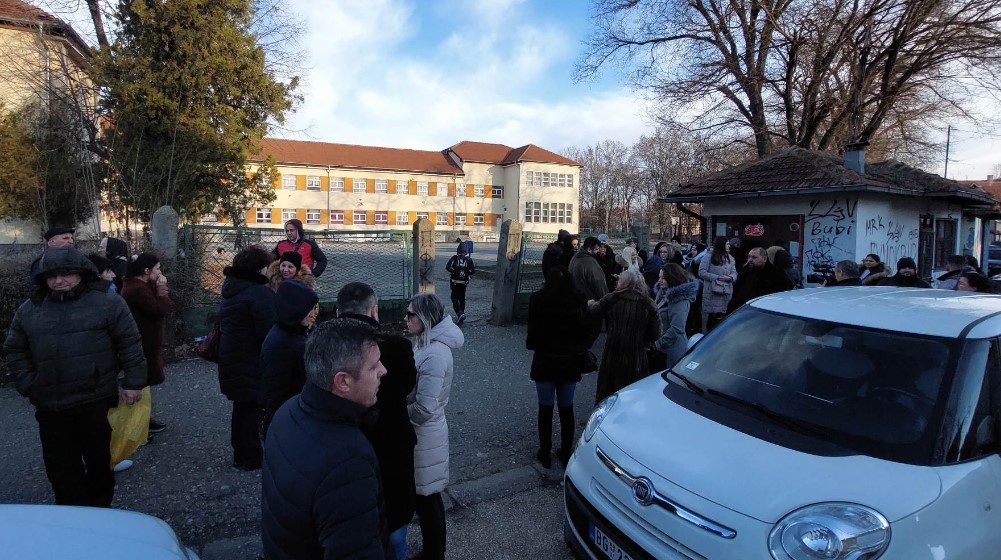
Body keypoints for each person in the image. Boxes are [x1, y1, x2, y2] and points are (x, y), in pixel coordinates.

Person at [4, 246, 146, 507]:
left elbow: (129, 343)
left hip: (95, 400)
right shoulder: (30, 309)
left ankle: (99, 512)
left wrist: (134, 382)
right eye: (51, 275)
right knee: (61, 469)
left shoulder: (108, 303)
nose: (58, 281)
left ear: (82, 273)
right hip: (50, 405)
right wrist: (28, 383)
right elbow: (15, 349)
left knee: (99, 462)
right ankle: (70, 516)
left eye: (66, 273)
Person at [261, 318, 389, 559]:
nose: (384, 370)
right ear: (343, 382)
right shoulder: (348, 463)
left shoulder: (289, 411)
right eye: (374, 367)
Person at [338, 282, 419, 560]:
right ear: (374, 310)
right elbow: (407, 387)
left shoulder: (326, 350)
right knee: (395, 529)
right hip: (392, 446)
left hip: (346, 451)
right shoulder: (397, 348)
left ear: (337, 312)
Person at [405, 293, 464, 560]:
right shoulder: (424, 343)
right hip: (424, 433)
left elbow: (425, 408)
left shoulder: (435, 353)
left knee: (428, 498)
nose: (406, 319)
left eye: (411, 314)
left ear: (425, 318)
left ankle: (434, 553)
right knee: (426, 497)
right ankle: (434, 550)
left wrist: (397, 415)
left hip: (425, 435)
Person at [218, 246, 276, 471]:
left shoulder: (232, 287)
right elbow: (268, 330)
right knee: (251, 408)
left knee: (242, 406)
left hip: (232, 355)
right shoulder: (258, 293)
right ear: (259, 268)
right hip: (250, 358)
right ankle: (251, 457)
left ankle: (240, 454)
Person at [526, 266, 589, 469]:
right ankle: (566, 450)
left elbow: (531, 336)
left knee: (545, 409)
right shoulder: (579, 299)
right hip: (569, 362)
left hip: (545, 362)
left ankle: (545, 452)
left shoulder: (538, 299)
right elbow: (584, 333)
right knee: (566, 409)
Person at [588, 268, 661, 404]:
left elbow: (594, 311)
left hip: (613, 349)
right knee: (634, 389)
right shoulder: (648, 303)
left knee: (609, 387)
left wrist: (590, 303)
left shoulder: (613, 298)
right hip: (636, 353)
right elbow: (656, 333)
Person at [260, 279, 319, 436]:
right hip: (288, 421)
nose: (312, 314)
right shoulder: (283, 344)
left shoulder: (291, 333)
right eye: (309, 309)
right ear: (295, 310)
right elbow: (277, 393)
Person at [121, 253, 171, 435]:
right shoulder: (137, 289)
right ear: (146, 270)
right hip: (142, 342)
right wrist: (162, 288)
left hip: (145, 340)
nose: (160, 272)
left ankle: (144, 422)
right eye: (157, 268)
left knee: (143, 385)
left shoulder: (140, 285)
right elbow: (160, 309)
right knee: (139, 385)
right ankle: (137, 428)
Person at [652, 264, 700, 370]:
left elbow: (677, 329)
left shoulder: (679, 300)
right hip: (663, 348)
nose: (659, 280)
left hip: (671, 350)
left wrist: (658, 344)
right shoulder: (662, 292)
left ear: (672, 278)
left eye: (663, 278)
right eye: (659, 277)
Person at [569, 236, 609, 349]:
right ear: (589, 249)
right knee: (591, 331)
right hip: (590, 303)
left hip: (576, 302)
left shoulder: (575, 258)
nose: (598, 251)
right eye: (596, 249)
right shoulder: (590, 263)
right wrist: (606, 302)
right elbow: (599, 284)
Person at [727, 247, 794, 313]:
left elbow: (780, 295)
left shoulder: (776, 273)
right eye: (749, 257)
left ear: (764, 259)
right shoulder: (745, 270)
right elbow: (737, 290)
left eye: (754, 257)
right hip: (742, 310)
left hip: (763, 311)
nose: (750, 260)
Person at [699, 237, 737, 331]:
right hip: (712, 293)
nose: (729, 246)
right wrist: (717, 277)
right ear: (721, 245)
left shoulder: (730, 258)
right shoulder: (708, 257)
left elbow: (734, 273)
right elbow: (702, 272)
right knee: (711, 321)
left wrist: (730, 278)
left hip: (726, 292)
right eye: (727, 244)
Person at [445, 242, 475, 326]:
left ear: (458, 251)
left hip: (454, 282)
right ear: (466, 252)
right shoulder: (469, 260)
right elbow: (473, 271)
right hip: (464, 283)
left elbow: (447, 267)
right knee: (462, 299)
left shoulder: (454, 258)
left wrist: (455, 270)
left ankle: (459, 313)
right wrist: (466, 272)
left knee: (454, 298)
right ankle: (461, 314)